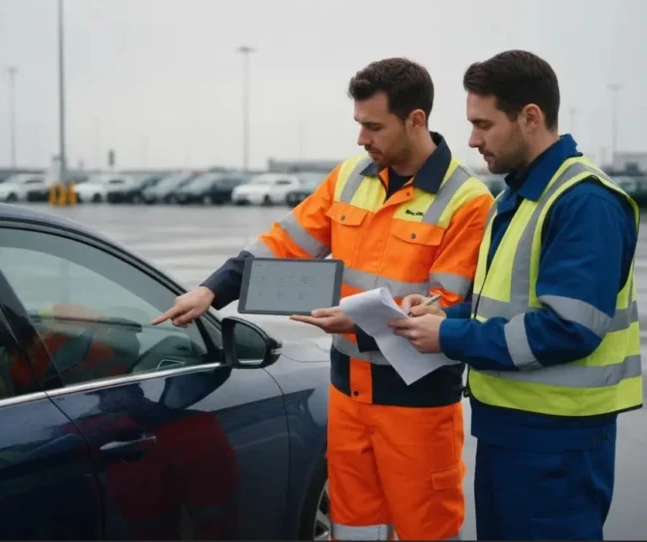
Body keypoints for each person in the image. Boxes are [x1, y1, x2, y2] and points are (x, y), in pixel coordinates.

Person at [152, 57, 495, 540]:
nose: (361, 139)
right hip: (347, 393)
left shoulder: (468, 200)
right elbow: (282, 243)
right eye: (359, 125)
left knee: (427, 528)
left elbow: (445, 306)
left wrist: (357, 325)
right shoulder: (350, 177)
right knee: (352, 527)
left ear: (416, 120)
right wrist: (213, 290)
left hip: (415, 405)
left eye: (373, 127)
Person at [392, 49, 643, 540]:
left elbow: (568, 329)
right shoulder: (517, 195)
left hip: (558, 442)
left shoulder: (583, 201)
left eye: (483, 124)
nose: (471, 139)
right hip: (513, 430)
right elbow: (505, 305)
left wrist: (450, 334)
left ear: (530, 117)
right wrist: (446, 311)